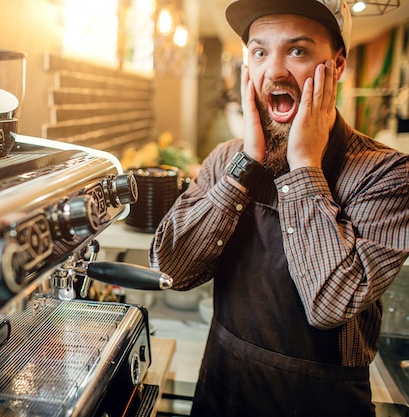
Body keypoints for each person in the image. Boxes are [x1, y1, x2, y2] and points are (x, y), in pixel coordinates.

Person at [149, 0, 409, 416]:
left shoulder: (386, 174)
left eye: (298, 51)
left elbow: (331, 303)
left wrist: (303, 164)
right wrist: (242, 168)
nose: (274, 71)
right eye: (259, 51)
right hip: (222, 387)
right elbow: (171, 270)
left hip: (320, 403)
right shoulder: (225, 159)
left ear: (337, 66)